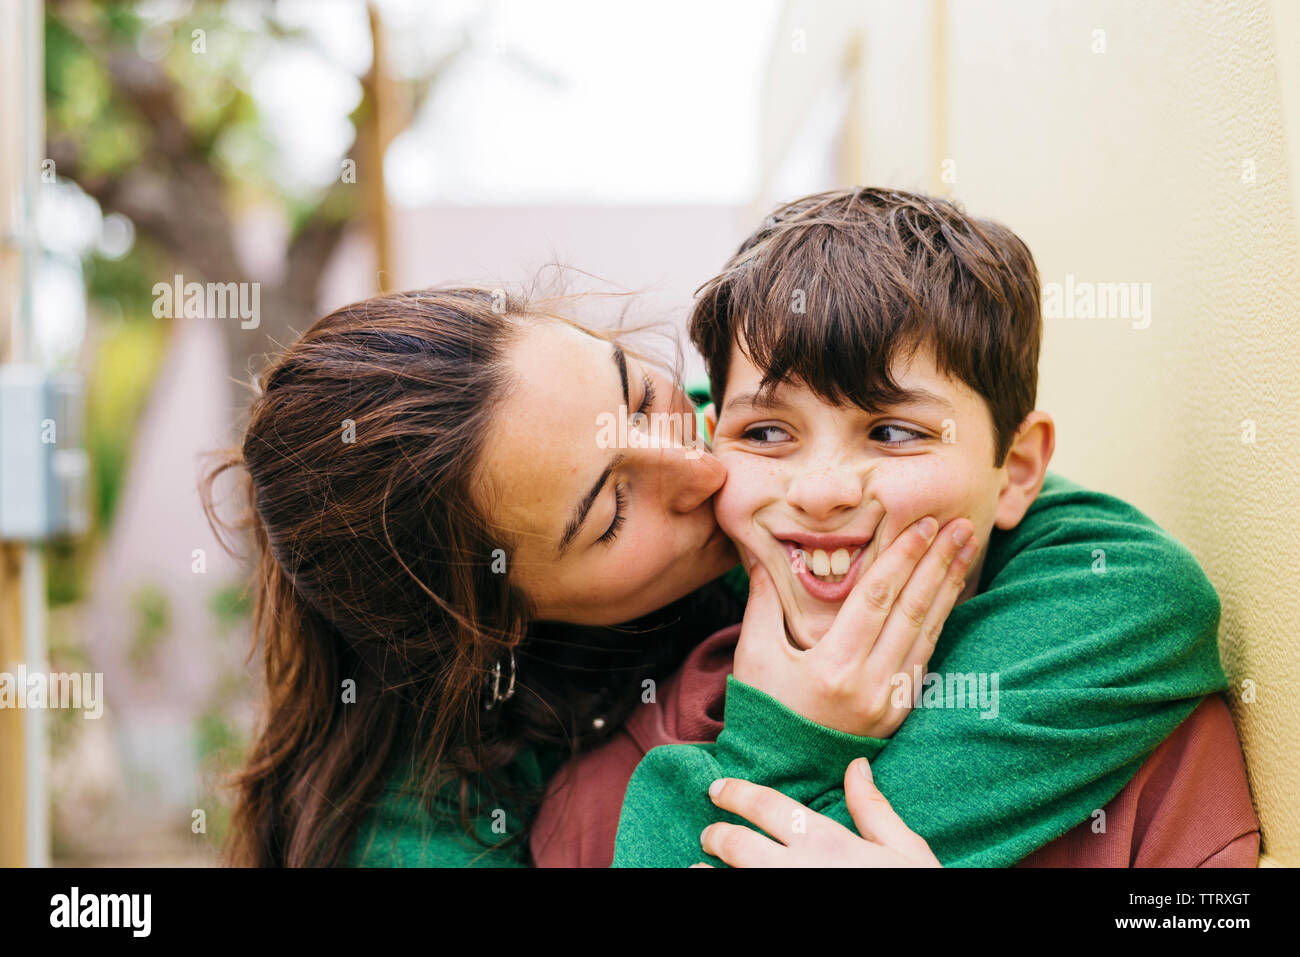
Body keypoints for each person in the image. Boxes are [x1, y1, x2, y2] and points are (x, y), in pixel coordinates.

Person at [532, 187, 1256, 867]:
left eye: (895, 432)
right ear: (713, 444)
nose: (820, 491)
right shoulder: (598, 793)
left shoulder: (1133, 729)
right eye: (766, 432)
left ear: (1020, 467)